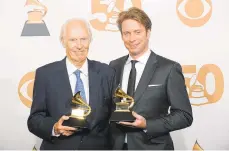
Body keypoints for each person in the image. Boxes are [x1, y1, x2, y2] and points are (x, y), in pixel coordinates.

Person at [109, 7, 193, 150]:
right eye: (126, 33)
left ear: (148, 33)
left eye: (137, 32)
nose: (132, 38)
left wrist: (147, 124)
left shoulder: (169, 68)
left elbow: (184, 115)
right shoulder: (114, 66)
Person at [27, 18, 115, 150]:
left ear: (90, 40)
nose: (79, 45)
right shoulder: (45, 74)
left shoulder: (106, 72)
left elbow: (114, 115)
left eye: (83, 39)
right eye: (73, 40)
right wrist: (54, 128)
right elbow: (35, 119)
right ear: (63, 42)